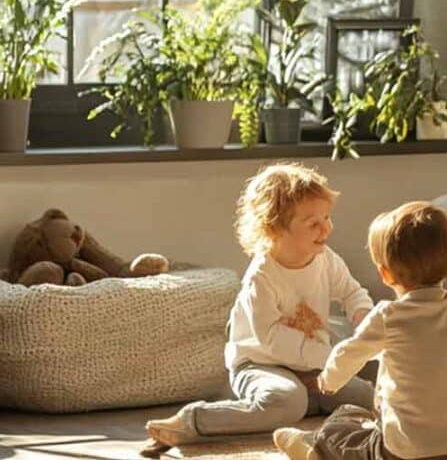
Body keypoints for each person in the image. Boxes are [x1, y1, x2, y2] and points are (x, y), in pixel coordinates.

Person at [141, 163, 375, 458]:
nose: (326, 227)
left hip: (311, 365)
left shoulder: (325, 258)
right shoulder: (262, 276)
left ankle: (306, 401)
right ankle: (191, 421)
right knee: (286, 402)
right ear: (276, 229)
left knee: (364, 396)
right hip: (259, 363)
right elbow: (270, 339)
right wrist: (328, 361)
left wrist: (362, 315)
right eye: (313, 222)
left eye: (327, 217)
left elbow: (352, 292)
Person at [273, 202, 447, 460]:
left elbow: (350, 353)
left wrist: (329, 380)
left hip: (402, 454)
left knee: (342, 423)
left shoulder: (389, 316)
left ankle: (315, 449)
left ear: (385, 274)